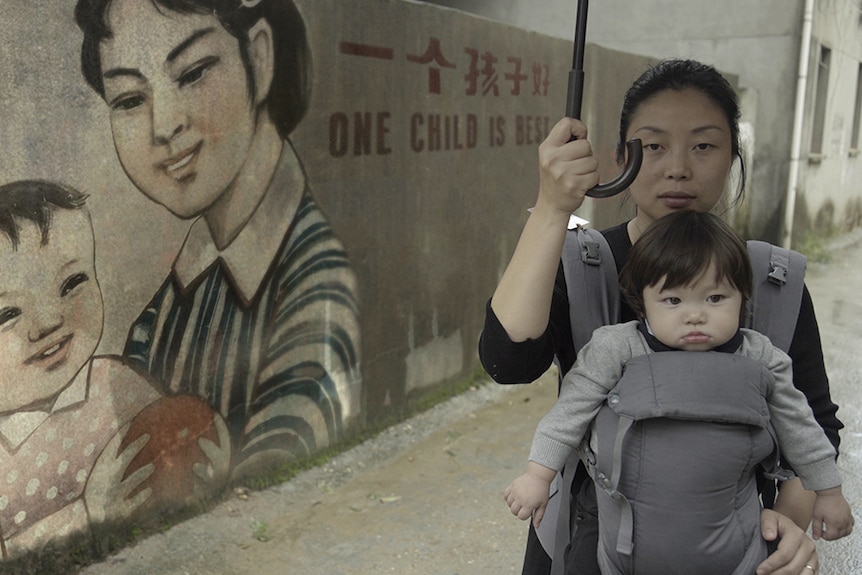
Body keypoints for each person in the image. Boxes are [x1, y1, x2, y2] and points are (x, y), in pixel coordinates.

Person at [479, 59, 843, 575]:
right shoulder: (584, 264)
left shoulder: (771, 280)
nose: (678, 167)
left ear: (733, 157)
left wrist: (787, 522)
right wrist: (553, 207)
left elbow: (816, 423)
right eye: (652, 146)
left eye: (704, 145)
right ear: (620, 157)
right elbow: (507, 361)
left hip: (728, 554)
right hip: (587, 548)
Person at [74, 0, 361, 481]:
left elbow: (279, 477)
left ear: (260, 57)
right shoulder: (168, 304)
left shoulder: (317, 283)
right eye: (128, 100)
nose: (164, 126)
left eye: (193, 72)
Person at [503, 210, 853, 574]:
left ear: (743, 297)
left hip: (726, 522)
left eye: (715, 297)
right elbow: (569, 412)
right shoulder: (618, 348)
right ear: (643, 301)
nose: (695, 315)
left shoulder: (761, 356)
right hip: (615, 517)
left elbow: (802, 427)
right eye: (673, 301)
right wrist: (537, 475)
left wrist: (827, 492)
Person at [0, 180, 228, 559]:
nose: (48, 322)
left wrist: (207, 460)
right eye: (7, 313)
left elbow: (171, 450)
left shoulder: (118, 383)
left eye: (72, 283)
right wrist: (88, 517)